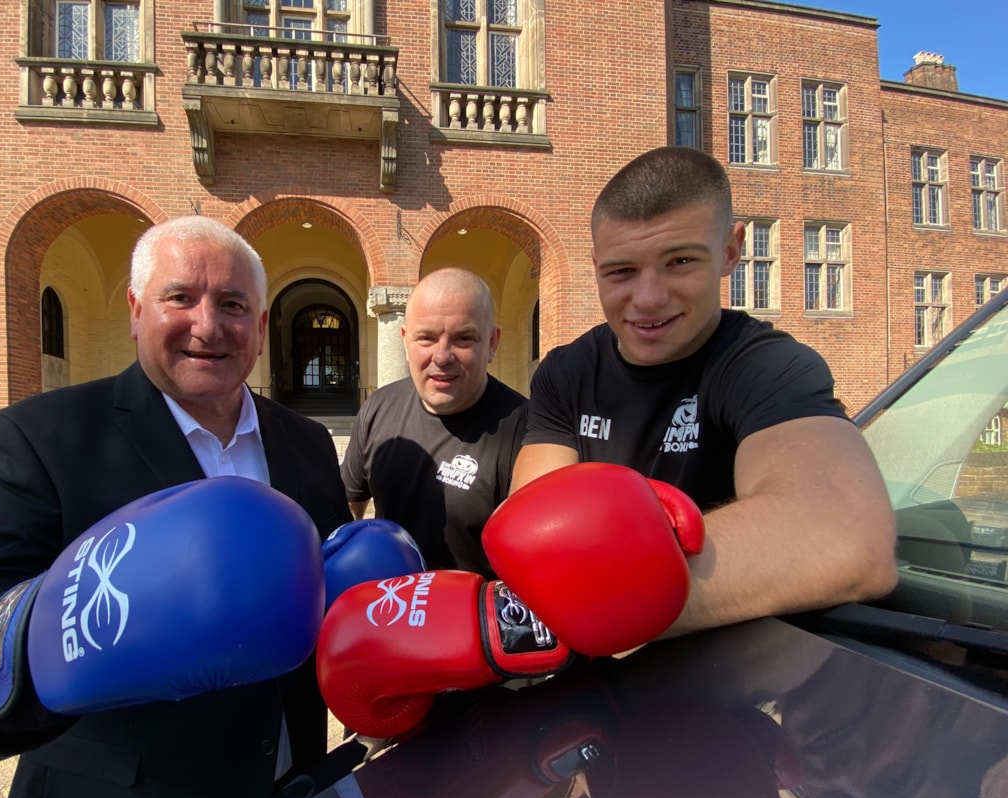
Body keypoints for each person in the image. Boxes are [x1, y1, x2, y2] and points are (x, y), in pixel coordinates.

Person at [0, 215, 369, 798]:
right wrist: (49, 636)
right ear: (137, 312)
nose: (208, 325)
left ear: (260, 325)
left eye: (232, 305)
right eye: (181, 298)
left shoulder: (308, 443)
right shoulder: (45, 438)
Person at [508, 145, 899, 634]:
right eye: (621, 271)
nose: (647, 298)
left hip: (739, 685)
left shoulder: (766, 366)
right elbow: (532, 535)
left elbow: (846, 538)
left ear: (731, 251)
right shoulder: (565, 372)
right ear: (596, 266)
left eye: (679, 261)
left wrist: (589, 598)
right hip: (602, 682)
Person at [341, 267, 527, 579]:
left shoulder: (526, 431)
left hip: (473, 620)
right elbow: (349, 511)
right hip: (391, 609)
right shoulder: (377, 408)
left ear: (493, 343)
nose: (442, 356)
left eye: (463, 339)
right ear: (405, 339)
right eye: (426, 338)